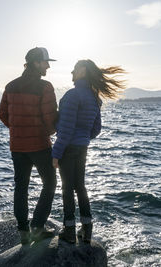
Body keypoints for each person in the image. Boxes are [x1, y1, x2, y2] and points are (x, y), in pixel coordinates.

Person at [52, 59, 126, 243]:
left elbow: (66, 129)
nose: (71, 73)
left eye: (74, 69)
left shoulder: (72, 96)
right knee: (81, 187)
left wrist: (56, 153)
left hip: (68, 148)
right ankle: (87, 229)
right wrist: (83, 138)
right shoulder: (94, 98)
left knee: (67, 189)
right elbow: (96, 129)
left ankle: (69, 230)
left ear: (83, 71)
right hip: (82, 147)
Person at [0, 47, 58, 244]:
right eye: (45, 62)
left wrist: (19, 130)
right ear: (35, 63)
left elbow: (3, 116)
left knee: (21, 187)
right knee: (50, 183)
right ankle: (38, 227)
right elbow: (50, 120)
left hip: (17, 146)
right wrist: (47, 131)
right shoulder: (45, 87)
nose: (48, 65)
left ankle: (23, 231)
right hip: (40, 144)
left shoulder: (10, 86)